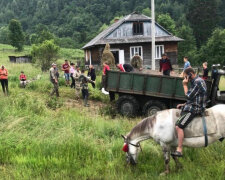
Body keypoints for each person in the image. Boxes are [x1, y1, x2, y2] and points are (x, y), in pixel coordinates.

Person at [171, 68, 207, 157]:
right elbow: (194, 97)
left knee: (178, 126)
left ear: (190, 74)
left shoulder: (197, 82)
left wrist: (184, 85)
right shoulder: (196, 81)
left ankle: (179, 149)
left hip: (195, 109)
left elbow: (188, 96)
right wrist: (184, 104)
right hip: (193, 104)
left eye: (186, 76)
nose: (185, 78)